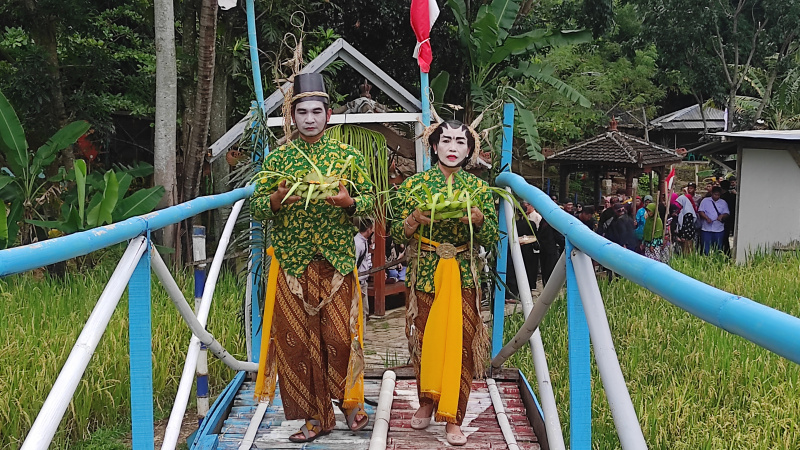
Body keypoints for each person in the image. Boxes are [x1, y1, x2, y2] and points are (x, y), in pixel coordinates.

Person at [251, 73, 375, 442]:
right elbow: (258, 206)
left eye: (316, 112)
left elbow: (368, 200)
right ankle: (312, 416)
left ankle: (348, 401)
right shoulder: (280, 159)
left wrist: (348, 202)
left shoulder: (347, 158)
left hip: (335, 261)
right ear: (293, 117)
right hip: (292, 262)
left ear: (329, 115)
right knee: (297, 342)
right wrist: (277, 199)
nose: (309, 119)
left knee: (338, 337)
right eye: (302, 112)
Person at [390, 119, 498, 446]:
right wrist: (413, 220)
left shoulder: (478, 189)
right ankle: (426, 401)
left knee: (460, 343)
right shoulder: (415, 186)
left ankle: (453, 416)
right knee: (425, 339)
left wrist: (479, 220)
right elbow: (396, 232)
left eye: (460, 143)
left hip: (463, 270)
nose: (453, 148)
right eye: (446, 141)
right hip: (425, 269)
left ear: (469, 150)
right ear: (434, 146)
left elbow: (492, 238)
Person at [698, 186, 730, 254]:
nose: (716, 196)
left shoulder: (723, 202)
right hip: (706, 229)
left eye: (718, 195)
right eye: (715, 194)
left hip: (718, 229)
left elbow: (727, 213)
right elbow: (701, 211)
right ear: (712, 193)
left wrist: (722, 216)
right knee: (705, 248)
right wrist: (706, 218)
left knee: (718, 248)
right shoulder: (705, 201)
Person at [355, 218, 374, 321]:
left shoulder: (364, 242)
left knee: (365, 312)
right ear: (369, 229)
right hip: (359, 281)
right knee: (361, 313)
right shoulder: (358, 244)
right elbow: (354, 264)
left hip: (363, 281)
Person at [720, 179, 737, 256]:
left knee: (722, 238)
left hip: (723, 219)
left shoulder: (722, 198)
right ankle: (727, 254)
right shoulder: (732, 196)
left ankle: (724, 253)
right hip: (731, 218)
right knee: (725, 237)